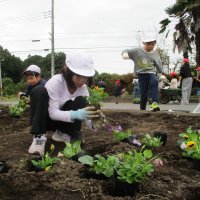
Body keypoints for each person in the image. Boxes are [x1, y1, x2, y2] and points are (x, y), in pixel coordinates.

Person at [28, 52, 99, 156]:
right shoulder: (56, 82)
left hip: (63, 122)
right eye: (78, 75)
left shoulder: (83, 89)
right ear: (67, 70)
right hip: (46, 119)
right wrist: (76, 114)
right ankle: (39, 137)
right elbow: (52, 113)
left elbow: (86, 112)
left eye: (86, 76)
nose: (82, 80)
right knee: (39, 91)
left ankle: (63, 134)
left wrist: (94, 121)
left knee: (81, 100)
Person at [121, 33, 163, 111]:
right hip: (141, 74)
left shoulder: (155, 53)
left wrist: (160, 73)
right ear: (144, 43)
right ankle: (142, 110)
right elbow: (125, 50)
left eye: (153, 44)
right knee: (144, 94)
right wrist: (125, 54)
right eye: (148, 44)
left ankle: (155, 103)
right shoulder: (137, 51)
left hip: (151, 73)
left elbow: (159, 64)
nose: (151, 46)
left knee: (154, 82)